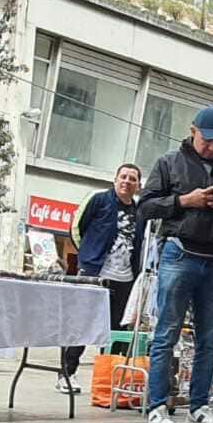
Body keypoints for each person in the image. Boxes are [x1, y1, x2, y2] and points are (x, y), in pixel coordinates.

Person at [138, 106, 213, 423]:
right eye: (207, 140)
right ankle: (157, 406)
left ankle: (199, 406)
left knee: (208, 338)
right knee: (166, 334)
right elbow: (145, 207)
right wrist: (185, 201)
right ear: (192, 131)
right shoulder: (169, 163)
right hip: (179, 253)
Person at [60, 162, 144, 394]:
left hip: (124, 278)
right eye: (123, 177)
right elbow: (77, 227)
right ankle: (67, 374)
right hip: (95, 274)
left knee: (117, 330)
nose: (127, 182)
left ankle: (108, 380)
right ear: (115, 179)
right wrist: (88, 257)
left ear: (138, 185)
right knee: (83, 323)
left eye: (133, 179)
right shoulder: (98, 200)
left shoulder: (138, 212)